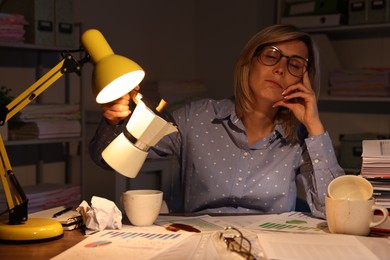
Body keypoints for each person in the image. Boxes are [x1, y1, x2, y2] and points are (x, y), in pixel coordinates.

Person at [89, 24, 345, 218]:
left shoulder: (301, 139)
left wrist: (314, 126)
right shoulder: (196, 119)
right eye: (271, 55)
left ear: (304, 80)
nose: (280, 68)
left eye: (295, 64)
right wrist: (114, 121)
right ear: (249, 62)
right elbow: (106, 159)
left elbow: (333, 212)